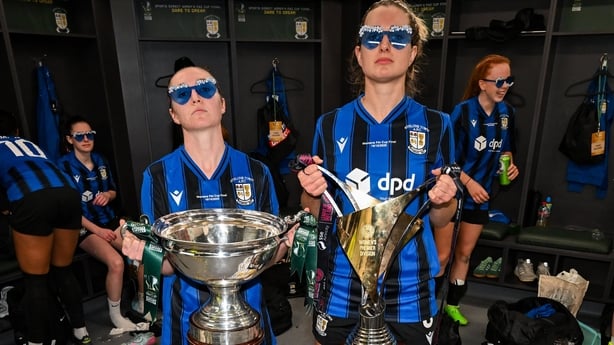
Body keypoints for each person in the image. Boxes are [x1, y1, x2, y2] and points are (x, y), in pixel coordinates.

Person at [297, 1, 458, 344]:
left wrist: (445, 199)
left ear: (413, 52)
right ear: (359, 53)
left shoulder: (437, 125)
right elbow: (314, 209)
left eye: (398, 36)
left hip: (411, 295)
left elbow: (443, 219)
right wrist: (311, 192)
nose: (384, 45)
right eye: (372, 37)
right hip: (341, 289)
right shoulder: (330, 125)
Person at [121, 65, 295, 345]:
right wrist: (143, 255)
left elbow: (270, 255)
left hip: (249, 320)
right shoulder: (157, 177)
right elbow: (166, 265)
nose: (195, 97)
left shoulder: (257, 172)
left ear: (222, 104)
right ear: (173, 115)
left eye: (204, 88)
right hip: (184, 322)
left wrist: (286, 242)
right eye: (181, 94)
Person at [434, 54, 519, 326]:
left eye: (508, 80)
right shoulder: (462, 112)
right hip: (452, 195)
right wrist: (468, 184)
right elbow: (446, 159)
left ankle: (452, 305)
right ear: (482, 83)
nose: (504, 85)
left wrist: (510, 165)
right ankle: (427, 307)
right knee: (443, 256)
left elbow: (506, 150)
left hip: (481, 198)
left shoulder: (508, 114)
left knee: (465, 254)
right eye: (499, 80)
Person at [0, 110, 92, 344]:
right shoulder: (29, 144)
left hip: (31, 198)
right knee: (63, 269)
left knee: (35, 279)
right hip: (69, 194)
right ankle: (81, 333)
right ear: (17, 131)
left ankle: (36, 341)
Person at [56, 115, 141, 331]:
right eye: (80, 136)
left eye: (89, 135)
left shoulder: (101, 160)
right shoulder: (63, 166)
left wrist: (107, 196)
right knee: (116, 263)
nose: (86, 139)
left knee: (141, 253)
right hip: (84, 227)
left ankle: (141, 303)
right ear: (69, 139)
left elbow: (113, 190)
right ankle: (116, 316)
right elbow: (71, 209)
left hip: (108, 219)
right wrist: (98, 231)